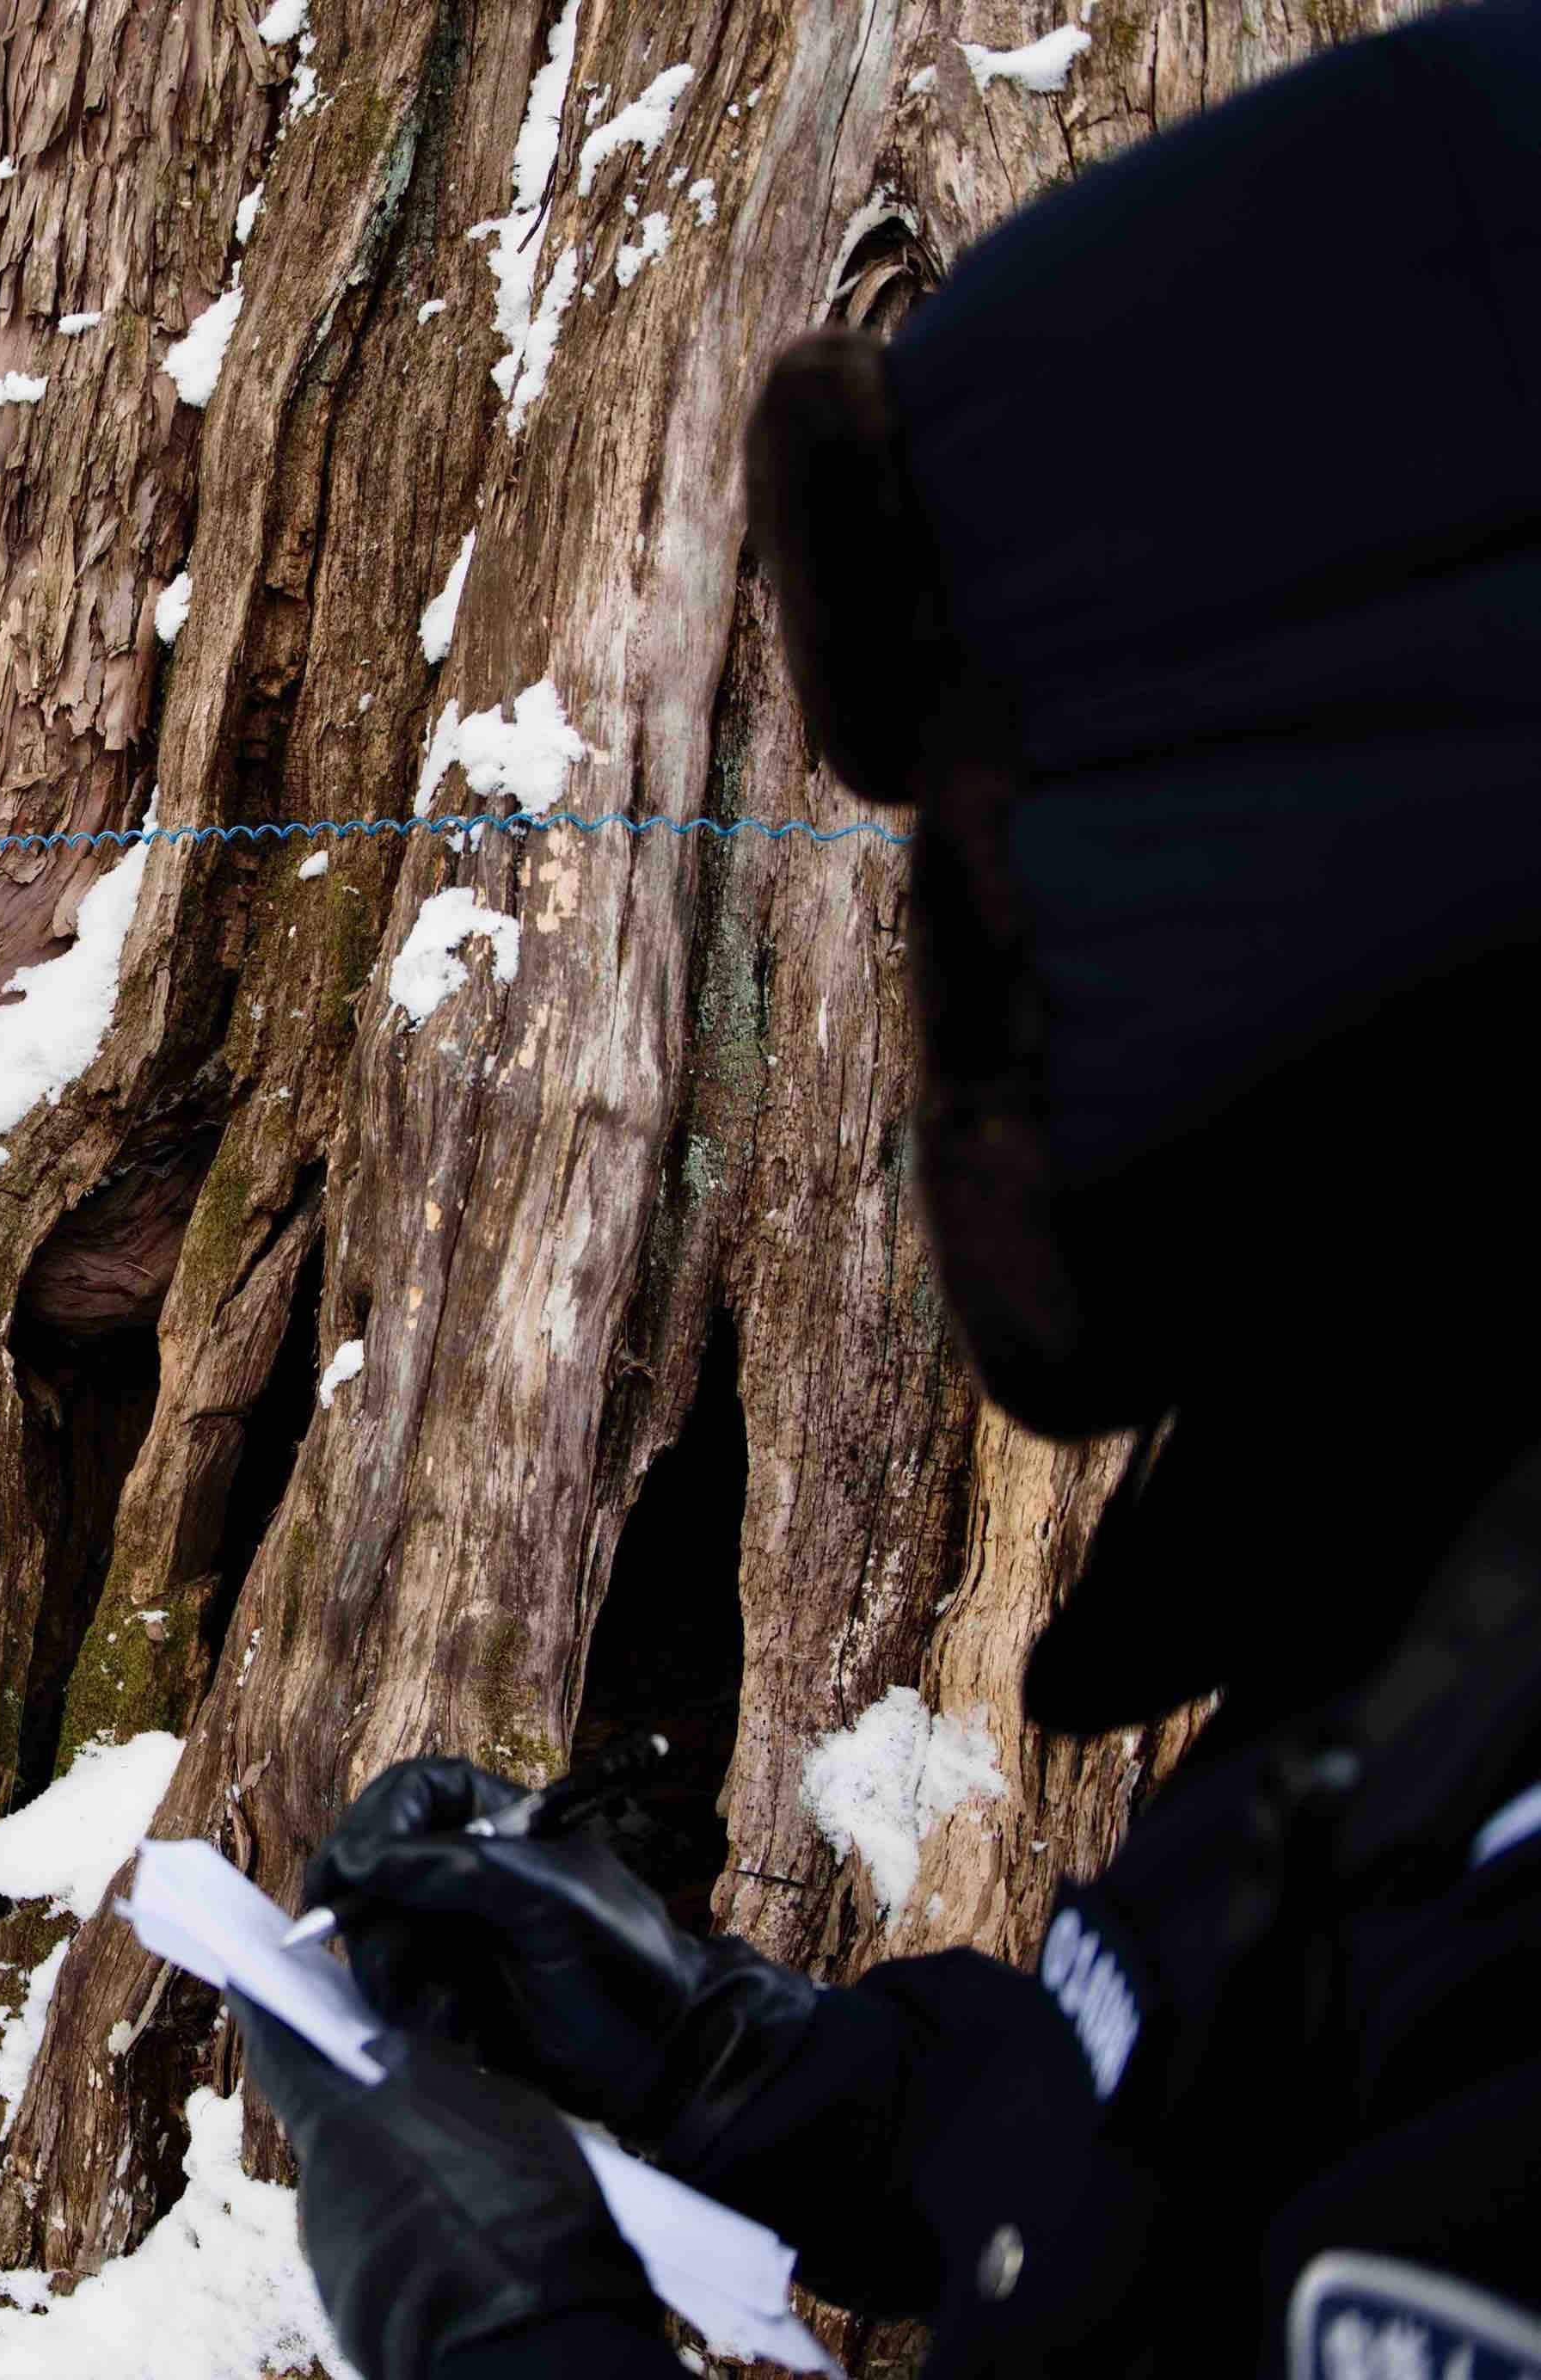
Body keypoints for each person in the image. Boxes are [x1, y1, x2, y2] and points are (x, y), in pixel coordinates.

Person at [240, 10, 1541, 2377]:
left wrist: (519, 2350)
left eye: (1016, 834)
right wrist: (750, 2075)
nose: (960, 957)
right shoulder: (1442, 1556)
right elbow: (1187, 2159)